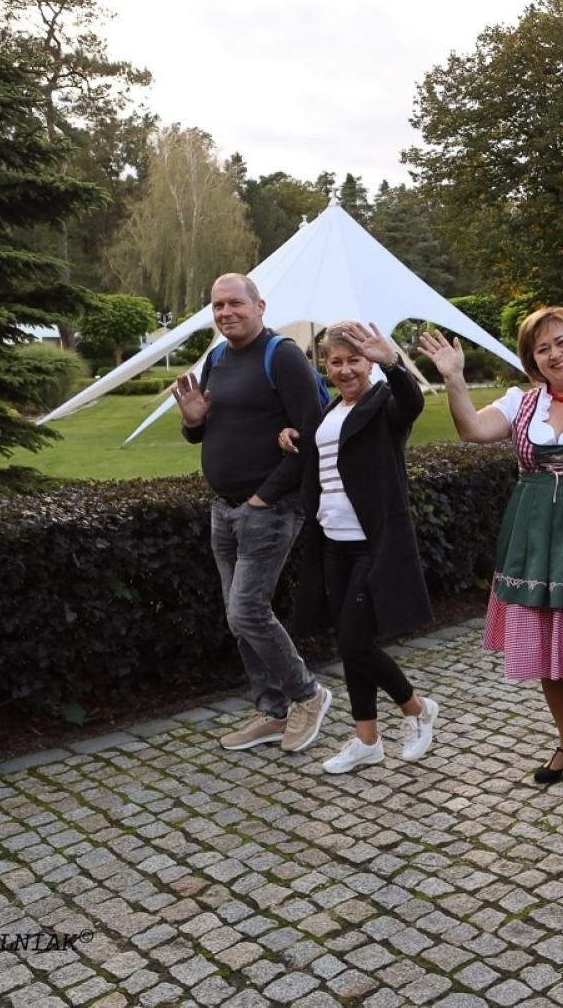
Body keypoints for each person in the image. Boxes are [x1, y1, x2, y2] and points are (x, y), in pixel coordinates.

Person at [417, 309, 563, 787]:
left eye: (562, 342)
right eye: (542, 348)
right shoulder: (521, 404)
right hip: (533, 537)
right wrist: (454, 379)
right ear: (531, 359)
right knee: (542, 647)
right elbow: (472, 430)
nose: (555, 354)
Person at [173, 272, 333, 755]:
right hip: (224, 509)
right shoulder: (217, 358)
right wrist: (192, 423)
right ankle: (272, 710)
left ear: (259, 306)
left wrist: (264, 497)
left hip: (270, 509)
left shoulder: (281, 355)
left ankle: (308, 695)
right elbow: (204, 430)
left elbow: (312, 434)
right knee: (237, 617)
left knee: (247, 612)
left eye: (235, 303)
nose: (226, 313)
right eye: (218, 305)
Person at [280, 322, 440, 774]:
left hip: (373, 543)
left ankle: (417, 708)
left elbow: (412, 403)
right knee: (352, 644)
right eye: (336, 362)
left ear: (369, 363)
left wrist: (393, 363)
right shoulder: (330, 410)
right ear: (325, 365)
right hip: (334, 543)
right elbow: (329, 457)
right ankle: (367, 740)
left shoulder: (384, 404)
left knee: (354, 643)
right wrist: (293, 437)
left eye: (355, 360)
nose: (345, 369)